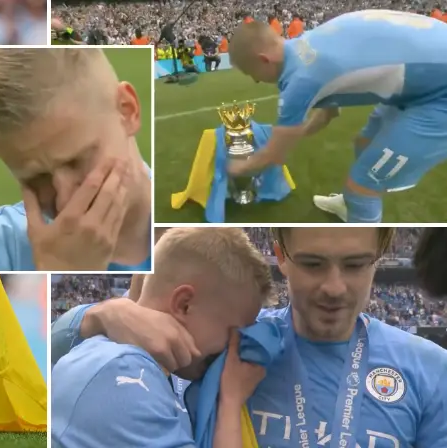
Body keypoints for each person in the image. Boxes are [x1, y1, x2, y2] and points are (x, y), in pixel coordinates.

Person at [54, 228, 447, 447]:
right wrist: (98, 314)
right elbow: (54, 350)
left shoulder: (430, 369)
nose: (334, 287)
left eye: (356, 265)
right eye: (312, 264)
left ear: (381, 253)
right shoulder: (232, 340)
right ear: (281, 254)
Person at [52, 228, 274, 448]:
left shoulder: (126, 361)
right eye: (234, 331)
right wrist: (231, 403)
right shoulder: (122, 376)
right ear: (184, 305)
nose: (235, 346)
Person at [226, 11, 447, 223]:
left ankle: (361, 218)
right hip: (422, 82)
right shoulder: (305, 43)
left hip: (439, 94)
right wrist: (293, 134)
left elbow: (273, 156)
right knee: (364, 143)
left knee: (362, 187)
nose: (256, 81)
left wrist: (236, 168)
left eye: (251, 73)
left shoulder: (300, 80)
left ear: (264, 60)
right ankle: (350, 205)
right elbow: (327, 114)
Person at [0, 47, 152, 272]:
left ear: (127, 111)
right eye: (38, 178)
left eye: (77, 161)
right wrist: (60, 269)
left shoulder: (200, 222)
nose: (65, 202)